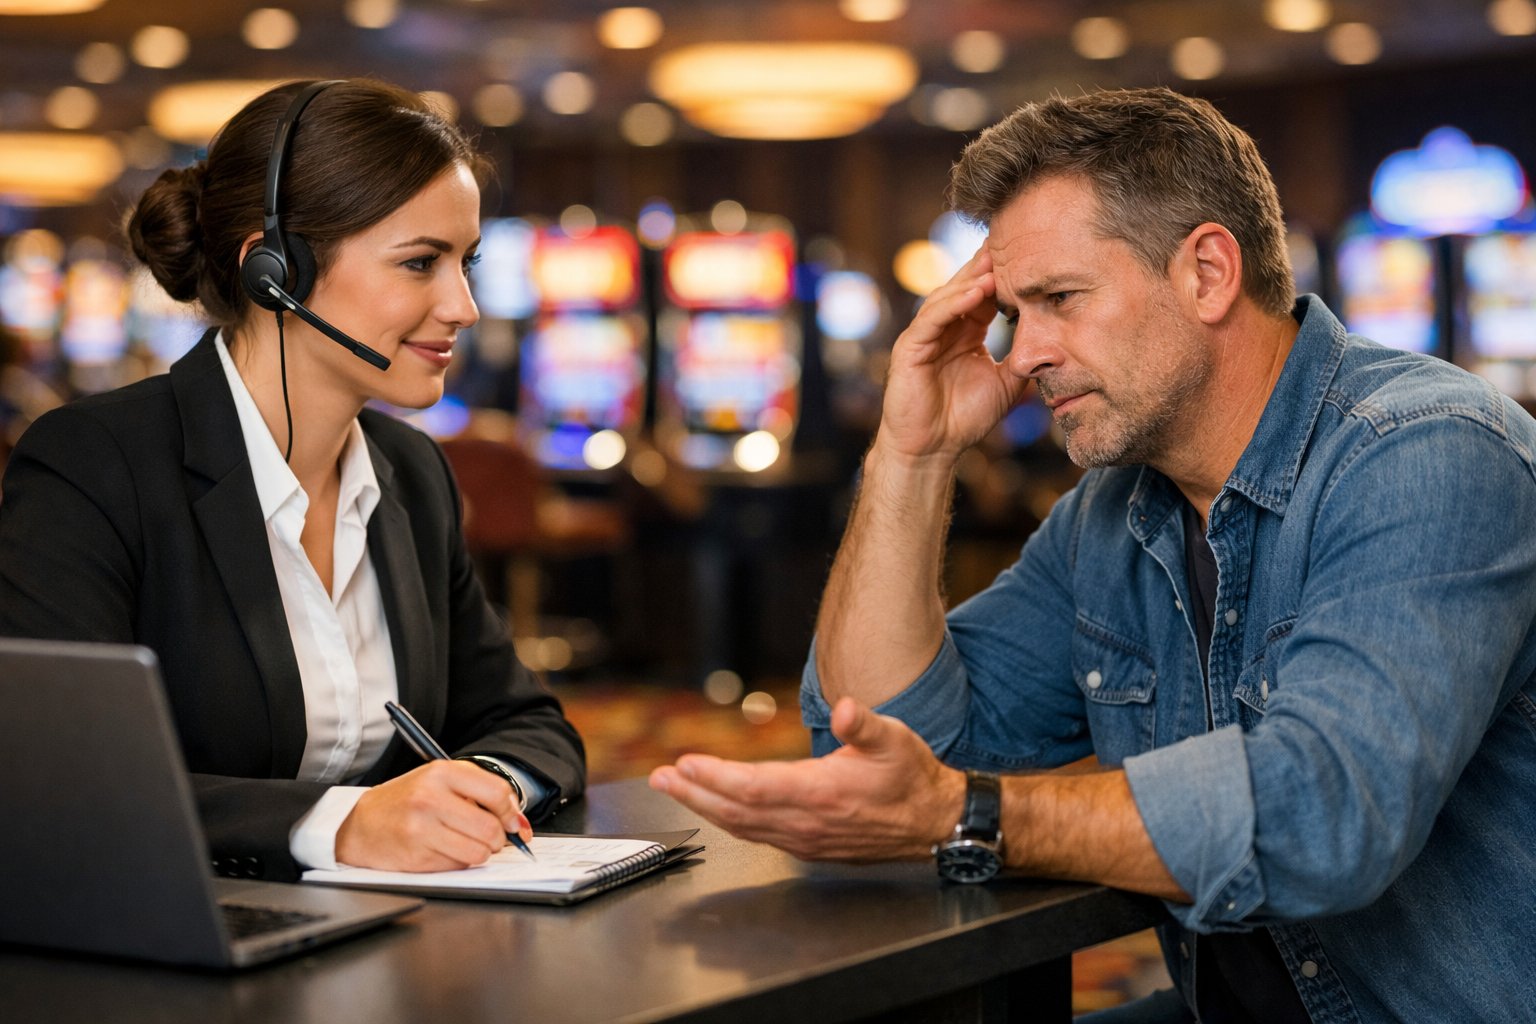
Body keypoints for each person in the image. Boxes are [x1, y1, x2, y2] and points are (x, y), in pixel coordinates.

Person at [650, 88, 1536, 1022]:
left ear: (1205, 273)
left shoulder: (1428, 451)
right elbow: (877, 738)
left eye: (1059, 300)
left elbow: (1324, 818)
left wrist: (971, 813)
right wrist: (914, 454)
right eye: (1013, 313)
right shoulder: (1113, 513)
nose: (1023, 353)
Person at [0, 78, 585, 882]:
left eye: (466, 262)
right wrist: (343, 825)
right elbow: (62, 778)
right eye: (421, 263)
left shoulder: (412, 473)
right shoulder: (94, 463)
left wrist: (476, 791)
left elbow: (529, 722)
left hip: (394, 948)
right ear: (274, 272)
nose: (465, 305)